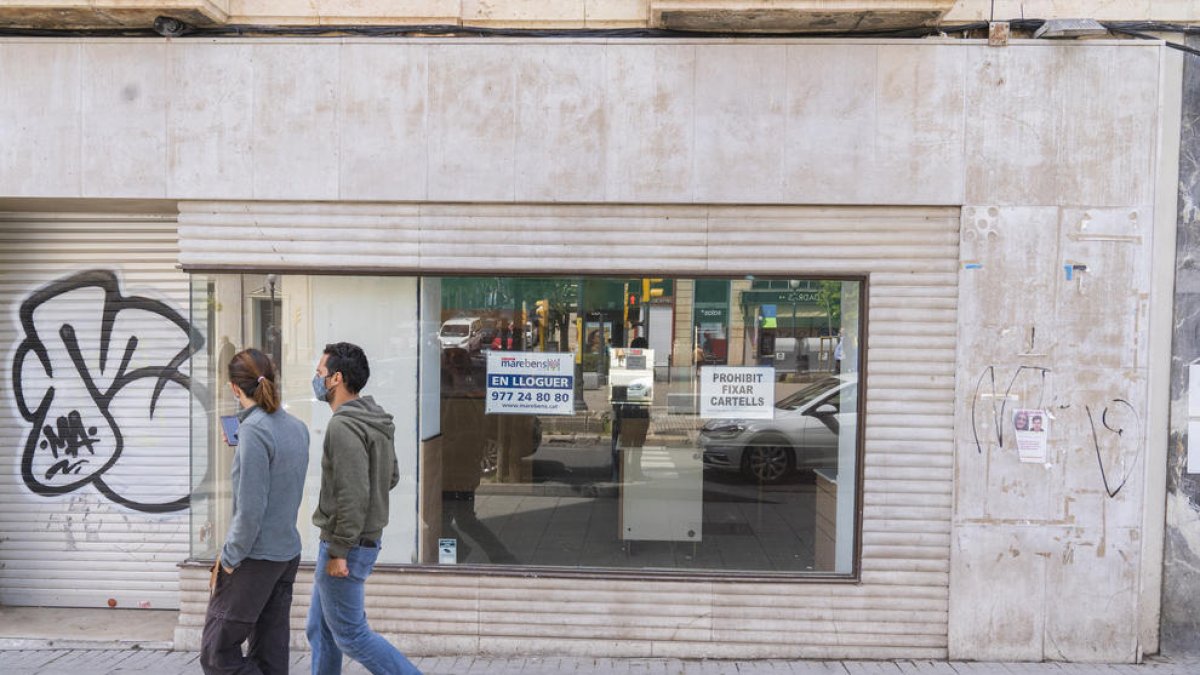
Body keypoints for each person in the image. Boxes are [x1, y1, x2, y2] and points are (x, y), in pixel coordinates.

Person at [306, 342, 422, 675]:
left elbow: (353, 493)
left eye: (319, 373)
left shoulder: (343, 426)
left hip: (346, 544)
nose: (316, 379)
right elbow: (392, 475)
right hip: (358, 539)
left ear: (336, 378)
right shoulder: (375, 418)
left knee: (352, 636)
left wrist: (340, 550)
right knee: (321, 628)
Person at [201, 349, 310, 675]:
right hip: (285, 553)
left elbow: (250, 510)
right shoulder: (296, 427)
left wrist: (230, 558)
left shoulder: (254, 431)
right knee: (270, 652)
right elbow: (278, 477)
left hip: (254, 557)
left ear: (235, 388)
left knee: (218, 654)